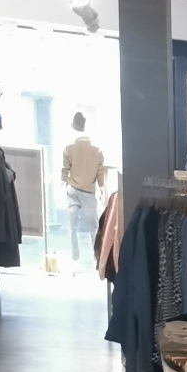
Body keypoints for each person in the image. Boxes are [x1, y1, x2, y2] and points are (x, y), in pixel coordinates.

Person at [59, 112, 106, 268]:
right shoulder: (97, 151)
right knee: (94, 228)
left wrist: (61, 187)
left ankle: (75, 258)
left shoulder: (69, 149)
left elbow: (65, 170)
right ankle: (97, 258)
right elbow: (100, 173)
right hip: (88, 192)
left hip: (72, 190)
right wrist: (103, 192)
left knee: (72, 227)